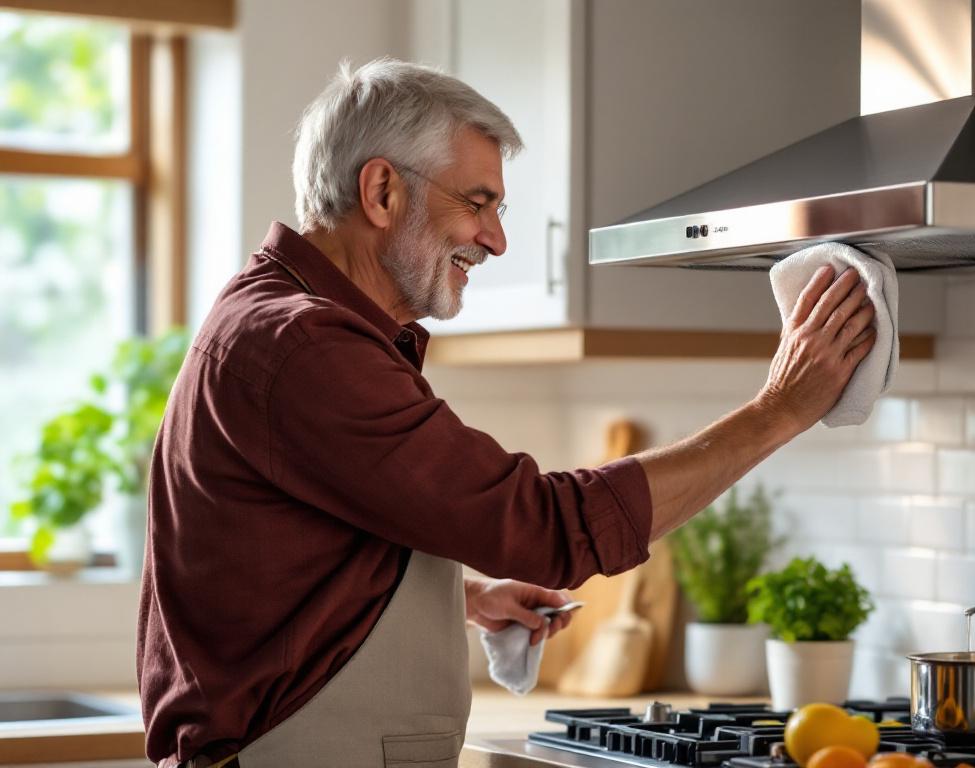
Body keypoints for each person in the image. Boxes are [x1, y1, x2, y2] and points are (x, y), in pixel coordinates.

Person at [136, 58, 877, 768]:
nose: (496, 239)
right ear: (383, 191)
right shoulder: (306, 345)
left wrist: (453, 597)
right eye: (478, 202)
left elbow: (279, 553)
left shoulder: (276, 317)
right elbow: (550, 528)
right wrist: (782, 407)